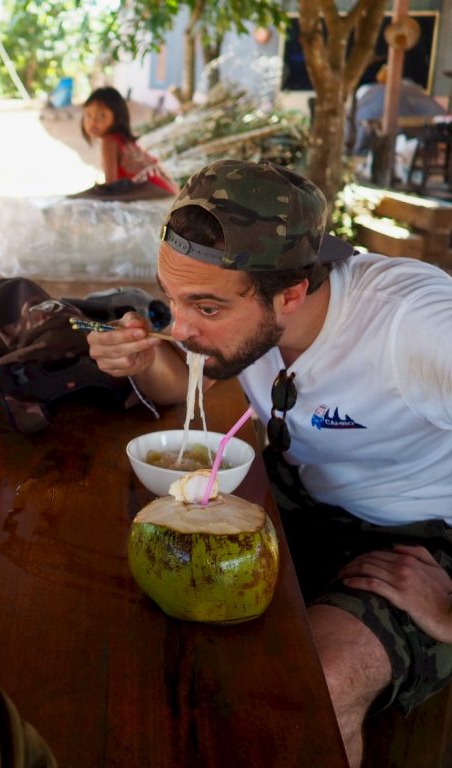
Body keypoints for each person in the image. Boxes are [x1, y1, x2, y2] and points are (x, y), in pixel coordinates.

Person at [86, 159, 452, 767]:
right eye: (169, 297)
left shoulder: (416, 326)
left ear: (292, 292)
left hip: (415, 540)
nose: (179, 325)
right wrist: (141, 362)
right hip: (300, 498)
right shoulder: (240, 301)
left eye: (205, 309)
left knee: (317, 687)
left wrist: (449, 609)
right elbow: (180, 380)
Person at [69, 86, 179, 201]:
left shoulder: (109, 141)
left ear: (117, 117)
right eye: (88, 115)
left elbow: (111, 187)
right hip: (166, 193)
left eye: (101, 115)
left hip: (153, 197)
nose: (93, 122)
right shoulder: (122, 139)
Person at [349, 64, 447, 156]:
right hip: (425, 128)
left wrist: (357, 150)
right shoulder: (409, 89)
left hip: (398, 127)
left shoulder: (369, 95)